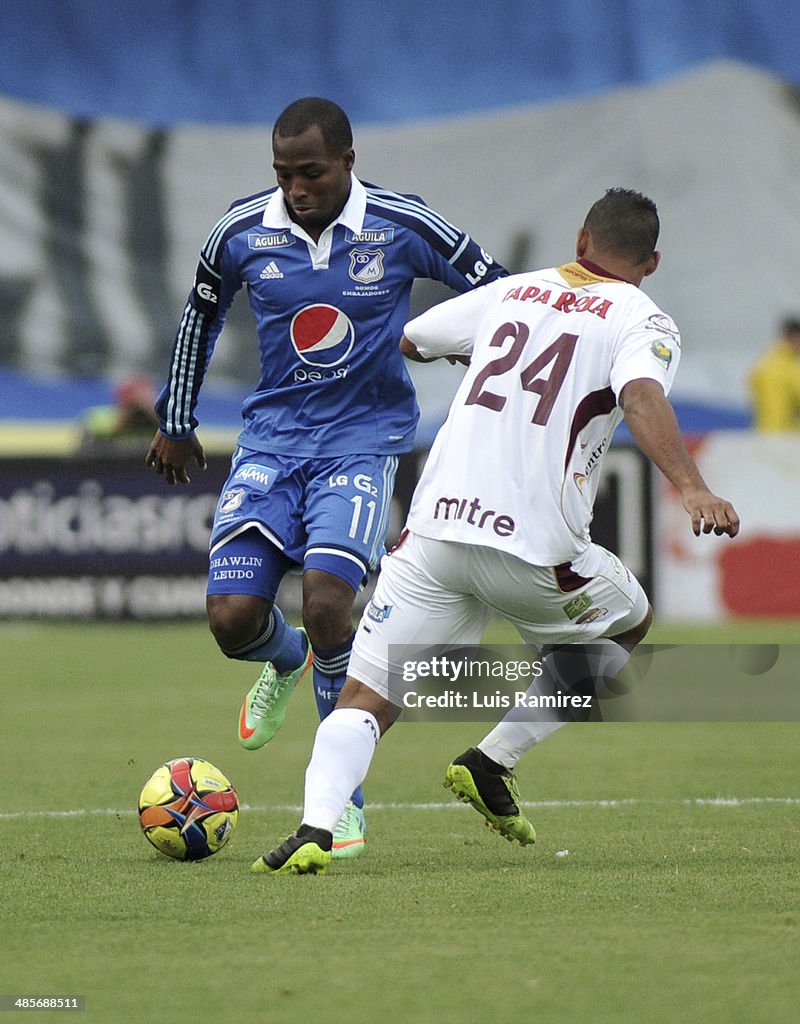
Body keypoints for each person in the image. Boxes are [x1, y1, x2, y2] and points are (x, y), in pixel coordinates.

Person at [250, 187, 741, 876]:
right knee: (628, 623)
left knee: (366, 698)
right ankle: (492, 760)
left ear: (579, 240)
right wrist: (691, 486)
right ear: (651, 262)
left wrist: (476, 362)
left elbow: (413, 338)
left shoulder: (514, 293)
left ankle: (314, 827)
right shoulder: (643, 317)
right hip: (534, 553)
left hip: (436, 536)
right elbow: (640, 394)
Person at [144, 97, 508, 859]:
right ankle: (284, 656)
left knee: (330, 603)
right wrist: (176, 421)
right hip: (271, 444)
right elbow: (199, 317)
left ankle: (341, 806)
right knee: (230, 620)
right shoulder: (241, 230)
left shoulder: (405, 225)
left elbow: (502, 296)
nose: (295, 188)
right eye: (282, 174)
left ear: (347, 160)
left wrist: (458, 348)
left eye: (309, 172)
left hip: (362, 445)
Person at [748, 317, 800, 431]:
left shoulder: (766, 360)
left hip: (766, 431)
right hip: (783, 434)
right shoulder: (786, 366)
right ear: (793, 337)